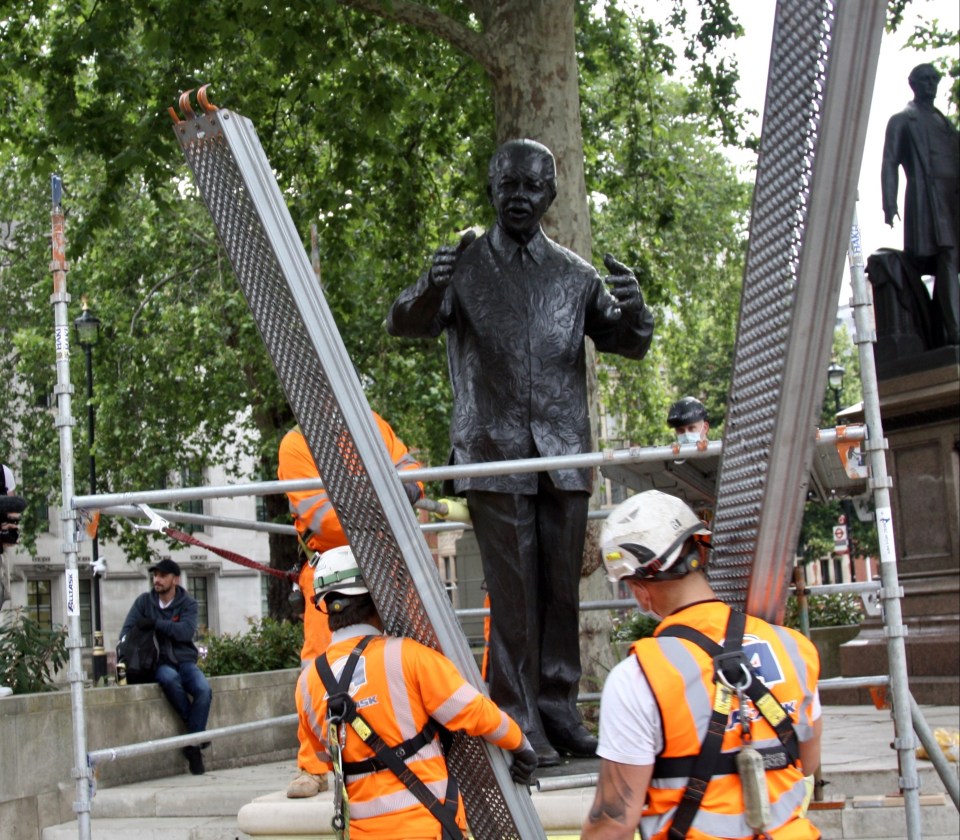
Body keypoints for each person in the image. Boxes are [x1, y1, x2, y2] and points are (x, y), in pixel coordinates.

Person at [387, 138, 655, 766]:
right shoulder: (465, 264)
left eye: (534, 187)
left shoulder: (574, 274)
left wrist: (638, 314)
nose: (520, 197)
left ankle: (559, 708)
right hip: (495, 452)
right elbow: (406, 320)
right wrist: (430, 285)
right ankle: (516, 717)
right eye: (510, 184)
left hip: (562, 453)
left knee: (561, 591)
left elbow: (625, 341)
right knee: (513, 596)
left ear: (551, 195)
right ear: (492, 185)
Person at [582, 490, 822, 840]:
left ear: (639, 590)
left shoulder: (639, 676)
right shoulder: (795, 648)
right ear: (699, 552)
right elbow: (808, 762)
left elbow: (614, 820)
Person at [296, 545, 538, 839]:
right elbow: (476, 712)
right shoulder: (409, 657)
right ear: (375, 597)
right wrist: (520, 744)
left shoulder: (307, 684)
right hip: (427, 826)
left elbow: (326, 756)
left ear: (324, 607)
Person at [277, 413, 423, 797]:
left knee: (410, 649)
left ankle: (415, 741)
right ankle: (313, 765)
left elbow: (409, 470)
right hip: (330, 565)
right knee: (319, 661)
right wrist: (387, 503)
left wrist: (400, 491)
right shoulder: (296, 444)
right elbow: (325, 520)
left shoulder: (369, 422)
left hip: (385, 557)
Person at [881, 62, 960, 345]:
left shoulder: (945, 122)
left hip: (954, 200)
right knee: (947, 255)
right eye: (925, 79)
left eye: (934, 79)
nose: (931, 84)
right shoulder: (902, 119)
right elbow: (890, 161)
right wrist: (889, 203)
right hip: (928, 199)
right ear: (913, 83)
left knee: (949, 263)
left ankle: (941, 332)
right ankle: (955, 331)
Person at [120, 558, 212, 775]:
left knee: (203, 690)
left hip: (185, 660)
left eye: (162, 576)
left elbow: (186, 632)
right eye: (155, 575)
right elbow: (126, 632)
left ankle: (191, 743)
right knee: (169, 680)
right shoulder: (144, 602)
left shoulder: (188, 603)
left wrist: (156, 624)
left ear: (175, 579)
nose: (157, 580)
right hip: (158, 662)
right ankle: (196, 739)